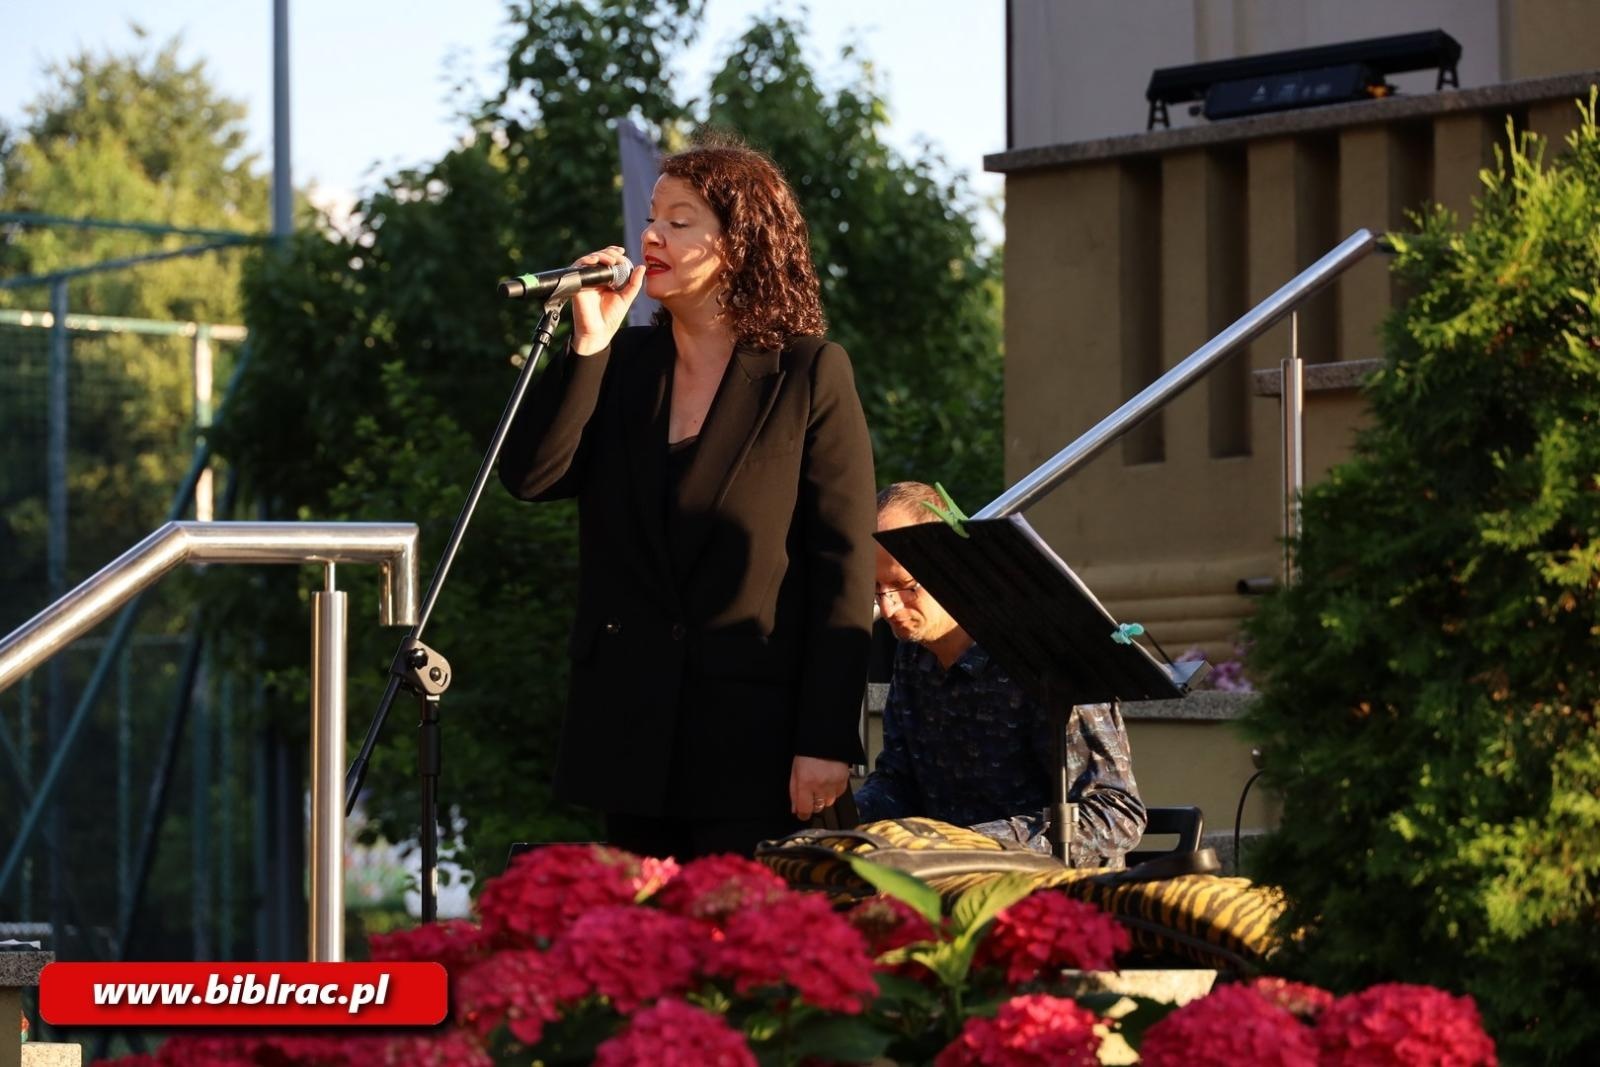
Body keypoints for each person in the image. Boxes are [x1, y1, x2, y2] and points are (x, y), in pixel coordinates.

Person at [498, 136, 876, 860]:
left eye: (679, 220)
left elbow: (843, 568)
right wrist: (588, 346)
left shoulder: (807, 373)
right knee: (641, 929)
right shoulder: (623, 365)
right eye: (651, 218)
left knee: (737, 929)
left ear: (741, 243)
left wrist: (826, 738)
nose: (650, 236)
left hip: (753, 738)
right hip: (631, 733)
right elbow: (534, 476)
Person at [854, 481, 1147, 866]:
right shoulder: (912, 656)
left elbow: (1115, 813)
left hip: (1053, 890)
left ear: (950, 565)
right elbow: (899, 783)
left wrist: (972, 846)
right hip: (948, 878)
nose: (890, 608)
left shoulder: (1046, 656)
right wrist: (842, 819)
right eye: (877, 589)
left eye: (904, 585)